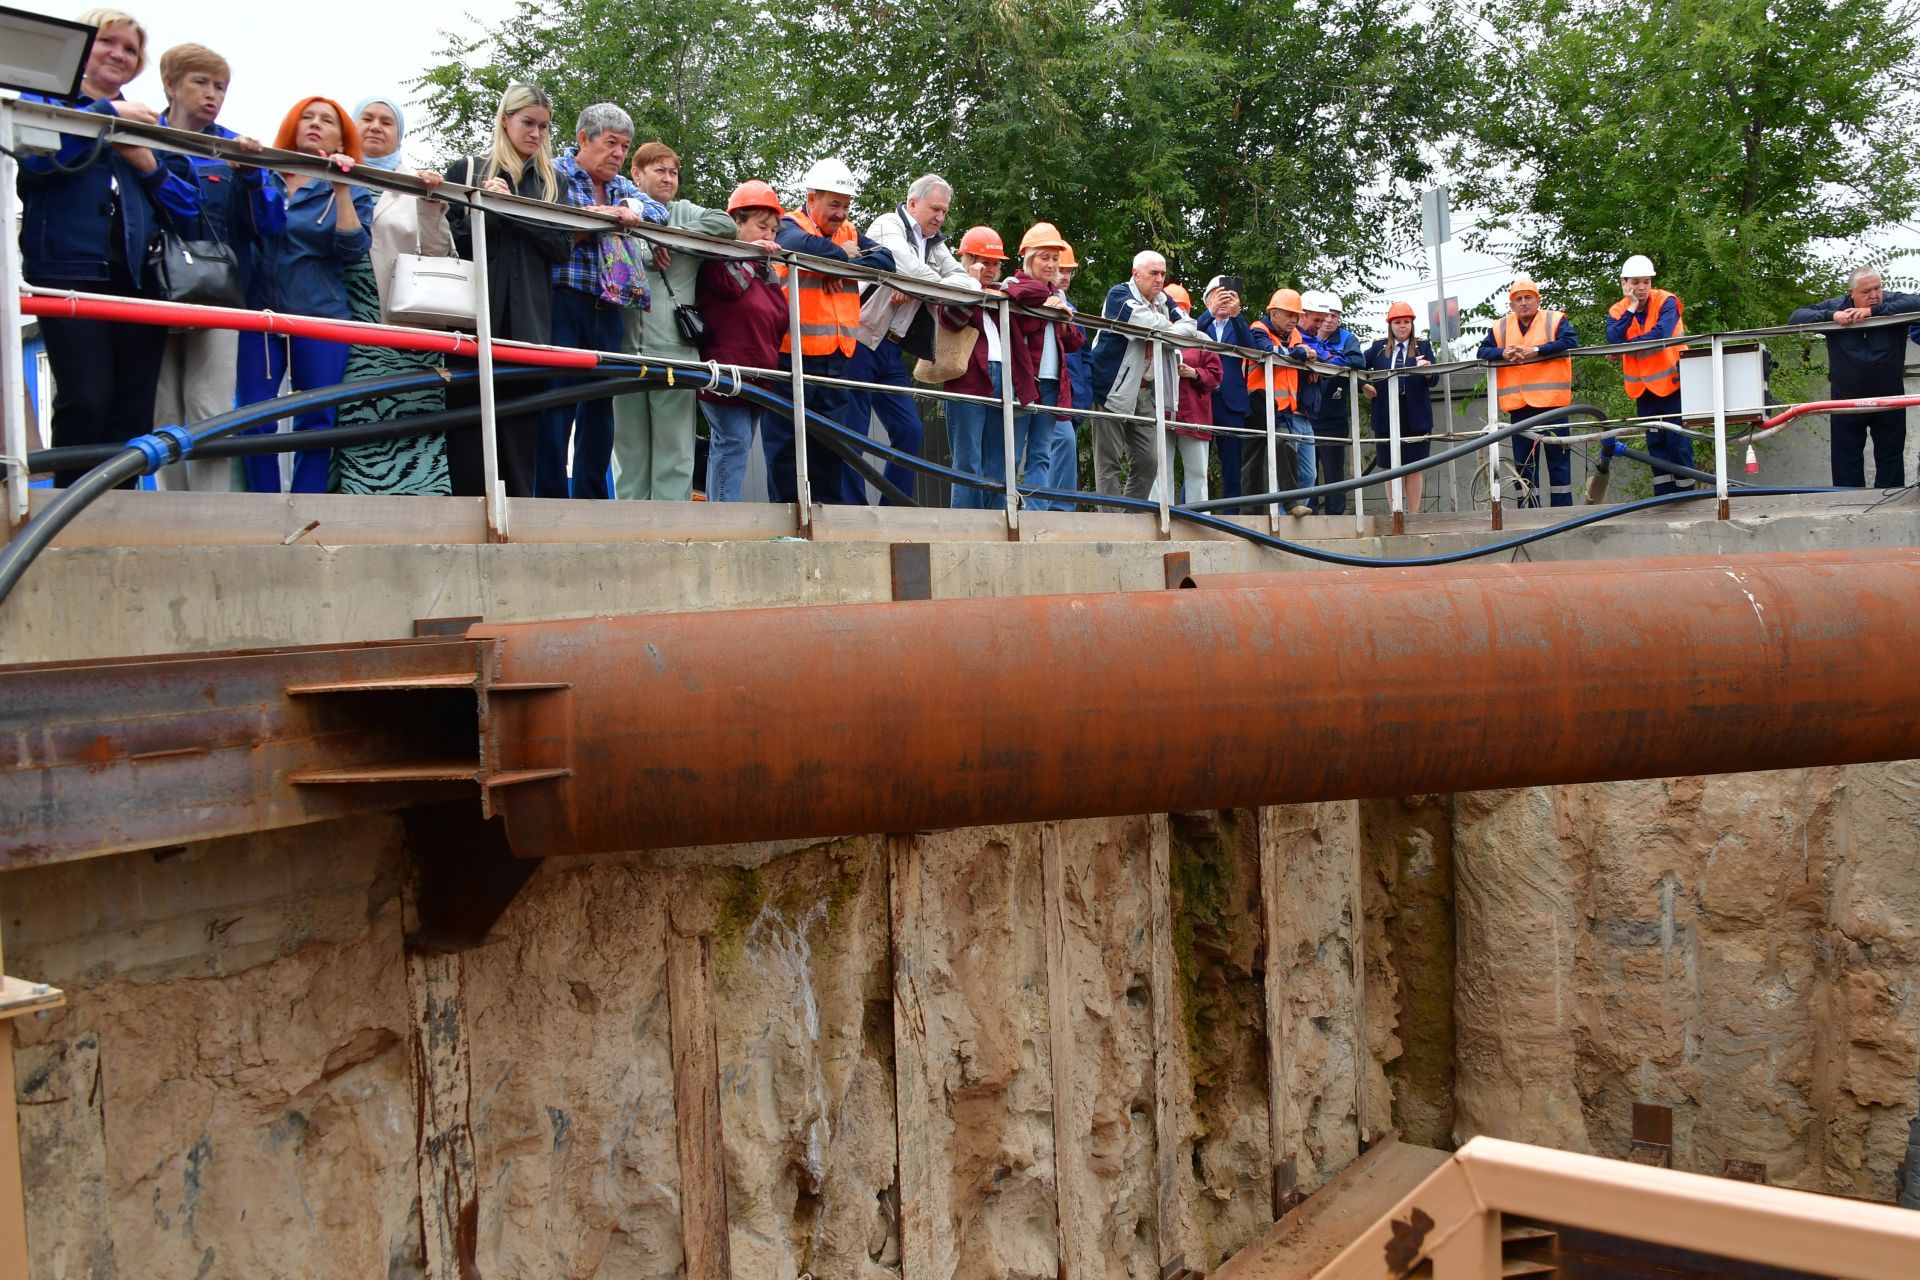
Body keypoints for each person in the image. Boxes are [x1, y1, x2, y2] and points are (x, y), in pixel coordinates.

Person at [17, 8, 200, 489]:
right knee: (86, 398)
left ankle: (121, 511)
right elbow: (39, 166)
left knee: (132, 407)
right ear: (82, 49)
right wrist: (106, 117)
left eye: (130, 49)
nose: (119, 54)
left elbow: (188, 207)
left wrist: (144, 159)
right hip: (68, 271)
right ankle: (69, 512)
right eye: (108, 43)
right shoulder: (44, 102)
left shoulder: (149, 122)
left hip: (140, 279)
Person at [437, 84, 574, 498]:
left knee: (519, 430)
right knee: (466, 426)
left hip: (529, 323)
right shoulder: (467, 169)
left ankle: (514, 518)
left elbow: (561, 247)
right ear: (505, 120)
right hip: (471, 317)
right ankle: (466, 518)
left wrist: (511, 208)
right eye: (528, 123)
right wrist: (488, 209)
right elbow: (453, 240)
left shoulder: (555, 183)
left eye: (544, 127)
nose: (536, 133)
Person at [236, 96, 372, 494]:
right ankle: (262, 507)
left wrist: (342, 189)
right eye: (306, 117)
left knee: (317, 420)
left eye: (326, 121)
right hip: (257, 314)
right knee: (254, 417)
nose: (314, 124)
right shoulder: (264, 174)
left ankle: (306, 508)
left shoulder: (352, 188)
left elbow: (352, 250)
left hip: (320, 314)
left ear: (342, 138)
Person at [150, 42, 270, 492]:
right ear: (170, 85)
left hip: (217, 290)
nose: (212, 94)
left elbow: (268, 225)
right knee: (161, 406)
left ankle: (209, 510)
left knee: (210, 406)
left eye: (220, 86)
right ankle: (169, 509)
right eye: (200, 82)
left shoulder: (232, 148)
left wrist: (254, 174)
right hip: (152, 288)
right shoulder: (139, 134)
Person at [538, 103, 668, 499]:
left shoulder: (621, 188)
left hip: (609, 307)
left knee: (600, 407)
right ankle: (547, 499)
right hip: (563, 300)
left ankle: (592, 499)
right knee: (555, 402)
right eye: (611, 143)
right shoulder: (555, 173)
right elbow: (549, 221)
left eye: (624, 147)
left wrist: (625, 208)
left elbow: (659, 212)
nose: (617, 154)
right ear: (583, 139)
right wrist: (598, 216)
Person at [330, 96, 454, 495]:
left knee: (410, 406)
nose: (376, 126)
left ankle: (420, 499)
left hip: (402, 320)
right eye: (366, 118)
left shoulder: (413, 183)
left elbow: (438, 254)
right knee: (347, 409)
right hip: (342, 312)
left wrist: (431, 204)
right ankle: (349, 498)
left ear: (400, 135)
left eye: (387, 121)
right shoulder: (325, 173)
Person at [765, 158, 897, 506]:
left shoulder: (849, 233)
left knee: (832, 443)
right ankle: (786, 513)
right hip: (791, 354)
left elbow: (886, 259)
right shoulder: (788, 225)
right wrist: (842, 258)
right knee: (786, 442)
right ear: (812, 199)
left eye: (846, 206)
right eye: (834, 204)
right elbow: (804, 247)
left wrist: (842, 262)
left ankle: (826, 515)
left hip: (837, 356)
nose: (841, 213)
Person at [611, 143, 738, 501]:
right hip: (624, 350)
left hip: (673, 348)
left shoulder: (683, 211)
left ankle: (671, 532)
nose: (668, 178)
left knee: (675, 449)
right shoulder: (620, 207)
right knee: (628, 449)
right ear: (636, 174)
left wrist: (668, 235)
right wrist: (644, 235)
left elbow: (724, 223)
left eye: (673, 172)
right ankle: (631, 532)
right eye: (659, 171)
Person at [848, 174, 976, 504]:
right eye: (936, 209)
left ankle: (893, 508)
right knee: (854, 429)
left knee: (910, 430)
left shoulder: (932, 242)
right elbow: (908, 269)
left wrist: (918, 287)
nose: (941, 218)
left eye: (945, 211)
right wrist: (916, 284)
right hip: (860, 339)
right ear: (913, 203)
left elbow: (968, 283)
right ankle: (852, 510)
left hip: (890, 346)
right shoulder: (887, 224)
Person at [695, 181, 790, 502]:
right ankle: (722, 521)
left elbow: (779, 317)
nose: (770, 236)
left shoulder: (763, 270)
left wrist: (760, 262)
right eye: (762, 226)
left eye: (775, 230)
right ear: (736, 222)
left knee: (739, 445)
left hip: (757, 375)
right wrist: (755, 255)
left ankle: (722, 515)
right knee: (732, 443)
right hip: (724, 374)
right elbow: (729, 288)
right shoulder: (718, 260)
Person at [1789, 267, 1920, 489]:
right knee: (1845, 462)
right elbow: (1796, 318)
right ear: (1851, 293)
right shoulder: (1836, 306)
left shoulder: (1892, 303)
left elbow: (1917, 302)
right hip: (1845, 400)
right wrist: (1832, 317)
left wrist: (1875, 312)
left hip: (1890, 398)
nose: (1874, 295)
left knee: (1891, 459)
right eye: (1866, 291)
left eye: (1877, 288)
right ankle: (1848, 505)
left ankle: (1888, 506)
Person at [1085, 250, 1196, 501]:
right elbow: (1140, 323)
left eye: (1163, 273)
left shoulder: (1163, 299)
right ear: (1136, 274)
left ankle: (1131, 515)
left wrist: (1164, 326)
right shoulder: (1118, 294)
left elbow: (1190, 327)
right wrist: (1169, 327)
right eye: (1153, 273)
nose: (1159, 279)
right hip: (1111, 388)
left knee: (1149, 460)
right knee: (1108, 461)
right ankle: (1111, 523)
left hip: (1145, 391)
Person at [997, 223, 1083, 504]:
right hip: (1023, 382)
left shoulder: (1058, 297)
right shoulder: (1015, 284)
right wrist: (1052, 303)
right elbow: (1020, 294)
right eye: (1044, 257)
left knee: (1042, 453)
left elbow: (1076, 342)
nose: (1051, 264)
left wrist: (1064, 318)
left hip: (1052, 382)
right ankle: (1004, 509)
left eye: (1055, 259)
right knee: (1012, 451)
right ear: (1029, 258)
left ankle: (1036, 514)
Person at [1477, 277, 1579, 507]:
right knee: (1524, 465)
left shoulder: (1554, 320)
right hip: (1520, 408)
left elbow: (1570, 340)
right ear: (1512, 304)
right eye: (1518, 299)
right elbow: (1482, 351)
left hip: (1552, 405)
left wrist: (1536, 350)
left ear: (1537, 300)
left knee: (1559, 462)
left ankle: (1562, 513)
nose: (1523, 303)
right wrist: (1502, 353)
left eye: (1528, 298)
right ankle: (1529, 513)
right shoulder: (1501, 326)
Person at [1604, 254, 1693, 497]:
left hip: (1673, 384)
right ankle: (1664, 498)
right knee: (1656, 444)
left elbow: (1661, 334)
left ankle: (1688, 497)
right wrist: (1631, 308)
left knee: (1679, 443)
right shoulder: (1619, 310)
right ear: (1625, 283)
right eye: (1635, 282)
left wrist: (1626, 346)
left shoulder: (1667, 302)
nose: (1641, 287)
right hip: (1643, 389)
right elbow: (1613, 339)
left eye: (1646, 281)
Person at [937, 226, 1009, 509]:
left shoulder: (1002, 294)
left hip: (1001, 376)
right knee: (968, 459)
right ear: (966, 259)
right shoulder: (954, 284)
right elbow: (950, 320)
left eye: (994, 263)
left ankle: (996, 522)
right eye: (983, 261)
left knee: (998, 459)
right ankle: (966, 525)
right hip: (966, 378)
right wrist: (971, 285)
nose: (990, 268)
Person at [1196, 275, 1273, 511]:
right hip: (1202, 399)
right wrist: (1210, 313)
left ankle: (1232, 517)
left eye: (1228, 297)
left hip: (1231, 403)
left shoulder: (1238, 325)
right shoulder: (1200, 323)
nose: (1223, 301)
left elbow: (1251, 349)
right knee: (1197, 463)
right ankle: (1197, 511)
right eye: (1218, 297)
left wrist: (1237, 315)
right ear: (1208, 299)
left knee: (1232, 466)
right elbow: (1186, 337)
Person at [1361, 301, 1437, 513]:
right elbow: (1356, 366)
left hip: (1415, 413)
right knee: (1390, 466)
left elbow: (1434, 379)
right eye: (1397, 322)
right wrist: (1363, 385)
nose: (1402, 326)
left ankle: (1413, 515)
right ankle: (1396, 511)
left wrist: (1428, 370)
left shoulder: (1423, 346)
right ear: (1390, 325)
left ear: (1412, 324)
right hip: (1386, 412)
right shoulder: (1378, 348)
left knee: (1413, 466)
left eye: (1406, 322)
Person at [1031, 241, 1091, 509]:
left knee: (1063, 450)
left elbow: (1084, 354)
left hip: (1071, 394)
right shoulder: (1033, 298)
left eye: (1069, 271)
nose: (1064, 275)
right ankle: (1046, 510)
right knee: (1047, 449)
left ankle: (1061, 510)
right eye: (1061, 269)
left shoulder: (1072, 308)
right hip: (1041, 386)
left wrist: (1085, 391)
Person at [1155, 284, 1222, 505]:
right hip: (1161, 410)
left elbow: (1216, 376)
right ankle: (1160, 512)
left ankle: (1199, 517)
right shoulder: (1154, 333)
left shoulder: (1201, 338)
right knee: (1160, 468)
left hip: (1194, 413)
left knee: (1197, 471)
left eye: (1182, 309)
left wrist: (1195, 373)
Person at [1240, 288, 1305, 514]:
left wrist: (1304, 352)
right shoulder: (1259, 329)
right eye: (1289, 314)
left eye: (1296, 315)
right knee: (1253, 459)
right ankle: (1252, 513)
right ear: (1274, 313)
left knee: (1284, 446)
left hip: (1283, 408)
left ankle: (1291, 503)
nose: (1294, 320)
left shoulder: (1295, 334)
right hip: (1257, 401)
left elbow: (1308, 352)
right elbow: (1266, 350)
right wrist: (1295, 353)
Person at [1312, 296, 1365, 515]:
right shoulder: (1304, 335)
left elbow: (1357, 361)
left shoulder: (1347, 338)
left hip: (1333, 417)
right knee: (1308, 473)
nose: (1329, 320)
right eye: (1325, 315)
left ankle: (1336, 516)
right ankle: (1309, 515)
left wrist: (1326, 360)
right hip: (1306, 414)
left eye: (1334, 315)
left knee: (1334, 473)